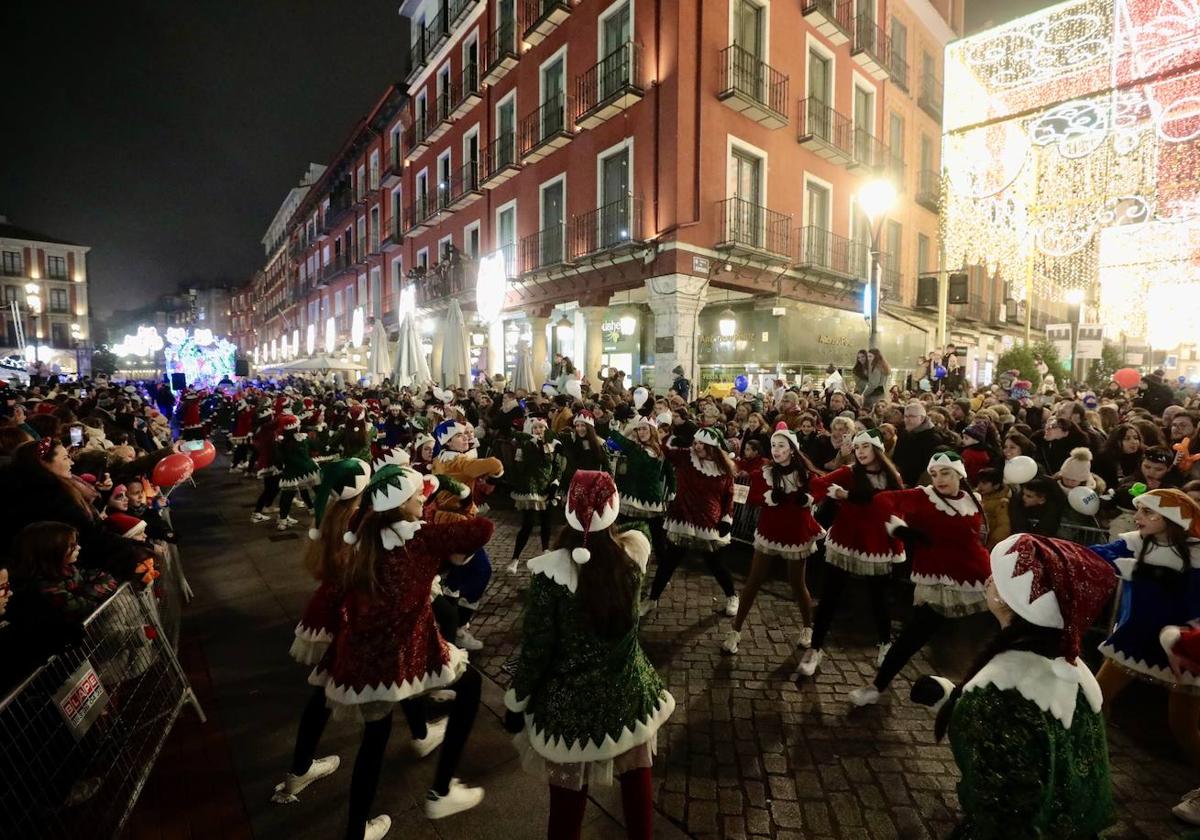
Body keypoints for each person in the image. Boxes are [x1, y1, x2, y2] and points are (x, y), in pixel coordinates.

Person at [272, 464, 495, 838]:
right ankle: (440, 790)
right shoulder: (419, 538)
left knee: (374, 741)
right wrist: (436, 506)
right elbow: (482, 528)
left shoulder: (364, 532)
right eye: (415, 495)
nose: (422, 497)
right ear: (399, 503)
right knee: (469, 687)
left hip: (359, 650)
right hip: (402, 652)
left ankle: (358, 827)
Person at [908, 534, 1116, 839]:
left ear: (1008, 599)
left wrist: (969, 706)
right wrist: (953, 700)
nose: (989, 579)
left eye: (998, 577)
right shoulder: (1074, 668)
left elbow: (1004, 806)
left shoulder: (999, 695)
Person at [504, 471, 674, 840]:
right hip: (628, 693)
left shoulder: (550, 576)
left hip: (569, 706)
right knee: (637, 781)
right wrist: (605, 519)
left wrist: (516, 702)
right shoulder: (632, 558)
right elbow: (641, 527)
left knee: (566, 808)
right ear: (612, 513)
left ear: (567, 510)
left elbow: (536, 649)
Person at [850, 452, 991, 706]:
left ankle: (984, 698)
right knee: (912, 637)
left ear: (960, 474)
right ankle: (877, 686)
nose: (939, 479)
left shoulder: (973, 499)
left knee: (984, 641)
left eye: (945, 473)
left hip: (976, 578)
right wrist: (904, 530)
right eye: (935, 474)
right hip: (938, 580)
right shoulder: (922, 496)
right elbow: (882, 501)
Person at [1088, 489, 1200, 767]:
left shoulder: (1198, 554)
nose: (1137, 516)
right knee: (1094, 700)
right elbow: (1094, 555)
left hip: (1182, 648)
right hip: (1134, 637)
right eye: (1139, 509)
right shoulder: (1137, 543)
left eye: (1148, 512)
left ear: (1172, 519)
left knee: (1183, 727)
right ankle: (1090, 759)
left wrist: (1144, 573)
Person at [803, 428, 905, 675]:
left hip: (875, 544)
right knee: (830, 598)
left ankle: (884, 644)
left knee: (879, 599)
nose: (860, 453)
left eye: (865, 447)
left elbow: (890, 505)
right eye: (857, 448)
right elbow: (819, 482)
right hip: (846, 541)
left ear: (878, 449)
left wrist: (848, 495)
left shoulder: (892, 478)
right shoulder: (849, 472)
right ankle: (815, 648)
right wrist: (812, 495)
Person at [721, 423, 824, 656]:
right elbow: (748, 495)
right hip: (770, 531)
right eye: (774, 445)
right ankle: (735, 630)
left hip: (796, 533)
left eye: (782, 446)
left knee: (797, 584)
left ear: (792, 450)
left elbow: (822, 487)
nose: (776, 450)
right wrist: (766, 498)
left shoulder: (805, 475)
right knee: (753, 581)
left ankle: (808, 627)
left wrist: (809, 498)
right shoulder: (765, 473)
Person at [643, 424, 737, 616]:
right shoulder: (686, 458)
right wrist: (672, 438)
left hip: (709, 521)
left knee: (716, 564)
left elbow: (728, 496)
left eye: (701, 443)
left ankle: (732, 596)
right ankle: (651, 599)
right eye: (695, 443)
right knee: (669, 561)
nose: (697, 446)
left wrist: (727, 518)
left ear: (712, 446)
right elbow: (666, 450)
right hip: (683, 518)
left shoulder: (724, 469)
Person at [607, 414, 675, 564]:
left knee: (658, 538)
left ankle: (662, 567)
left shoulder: (662, 452)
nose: (641, 432)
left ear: (652, 430)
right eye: (639, 430)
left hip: (652, 500)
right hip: (631, 498)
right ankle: (618, 563)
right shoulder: (633, 447)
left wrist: (672, 494)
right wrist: (628, 429)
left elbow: (670, 474)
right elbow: (613, 436)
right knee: (622, 533)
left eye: (644, 429)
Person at [507, 416, 564, 572]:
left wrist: (555, 483)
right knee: (528, 524)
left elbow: (557, 467)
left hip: (547, 488)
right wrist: (531, 441)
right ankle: (515, 558)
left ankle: (545, 551)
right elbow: (520, 466)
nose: (539, 431)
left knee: (546, 523)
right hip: (531, 489)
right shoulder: (526, 444)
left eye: (542, 428)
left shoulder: (552, 445)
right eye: (536, 428)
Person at [276, 413, 320, 531]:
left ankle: (283, 520)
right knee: (319, 491)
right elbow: (315, 448)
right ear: (296, 427)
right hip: (308, 470)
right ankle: (322, 512)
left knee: (287, 497)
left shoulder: (282, 443)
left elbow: (279, 459)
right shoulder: (303, 438)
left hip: (291, 473)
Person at [892, 402, 942, 487]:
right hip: (902, 482)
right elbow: (897, 458)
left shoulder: (933, 438)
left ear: (922, 418)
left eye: (911, 416)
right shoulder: (904, 433)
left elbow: (929, 468)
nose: (907, 420)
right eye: (905, 416)